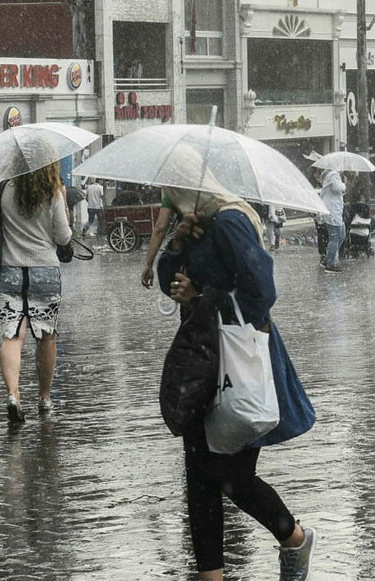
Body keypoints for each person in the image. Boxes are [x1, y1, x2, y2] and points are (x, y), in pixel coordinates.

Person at [156, 187, 315, 581]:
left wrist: (204, 296)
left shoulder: (230, 221)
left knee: (234, 478)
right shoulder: (193, 223)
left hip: (238, 358)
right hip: (200, 361)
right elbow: (168, 282)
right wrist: (175, 247)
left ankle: (294, 538)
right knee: (199, 478)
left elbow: (262, 294)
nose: (167, 200)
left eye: (170, 191)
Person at [0, 157, 73, 424]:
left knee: (12, 335)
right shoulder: (52, 191)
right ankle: (44, 396)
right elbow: (63, 237)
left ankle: (14, 395)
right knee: (46, 336)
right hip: (44, 272)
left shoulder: (2, 188)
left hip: (10, 270)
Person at [141, 193, 175, 288]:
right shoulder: (213, 189)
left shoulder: (174, 192)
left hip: (190, 250)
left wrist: (149, 264)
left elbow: (160, 227)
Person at [318, 168, 347, 272]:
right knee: (335, 237)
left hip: (335, 210)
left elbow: (337, 193)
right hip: (332, 211)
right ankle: (330, 264)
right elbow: (337, 188)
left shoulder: (332, 176)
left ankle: (327, 259)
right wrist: (344, 184)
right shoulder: (334, 175)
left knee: (341, 235)